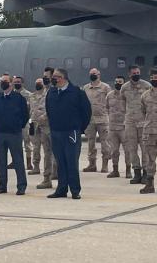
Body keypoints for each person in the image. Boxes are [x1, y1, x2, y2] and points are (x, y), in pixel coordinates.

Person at [46, 68, 91, 200]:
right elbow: (49, 111)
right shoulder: (52, 92)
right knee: (60, 162)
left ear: (64, 78)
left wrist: (79, 128)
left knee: (71, 162)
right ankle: (61, 189)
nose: (54, 79)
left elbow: (86, 112)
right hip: (56, 132)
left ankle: (75, 190)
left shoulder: (77, 92)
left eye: (57, 77)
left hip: (71, 132)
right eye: (53, 77)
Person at [0, 74, 29, 195]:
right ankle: (2, 185)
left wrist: (18, 125)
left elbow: (25, 115)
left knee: (18, 160)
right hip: (1, 133)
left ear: (11, 83)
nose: (3, 83)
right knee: (1, 161)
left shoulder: (19, 98)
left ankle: (21, 186)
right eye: (2, 81)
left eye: (6, 81)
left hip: (14, 133)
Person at [120, 65, 152, 184]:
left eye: (138, 72)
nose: (136, 74)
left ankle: (146, 173)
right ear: (129, 74)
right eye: (134, 73)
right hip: (130, 122)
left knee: (145, 149)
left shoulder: (146, 86)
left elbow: (150, 102)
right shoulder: (124, 87)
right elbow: (123, 103)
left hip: (143, 122)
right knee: (131, 149)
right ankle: (136, 172)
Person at [82, 68, 112, 173]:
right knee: (90, 143)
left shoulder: (105, 87)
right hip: (90, 120)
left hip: (102, 119)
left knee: (105, 142)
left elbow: (111, 101)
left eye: (94, 74)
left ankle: (105, 164)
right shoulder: (85, 88)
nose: (93, 75)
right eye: (91, 74)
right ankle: (92, 164)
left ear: (99, 75)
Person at [106, 76, 131, 178]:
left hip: (124, 127)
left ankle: (128, 170)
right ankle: (115, 170)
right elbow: (107, 108)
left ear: (124, 83)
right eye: (116, 82)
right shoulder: (109, 95)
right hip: (112, 127)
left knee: (127, 150)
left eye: (120, 82)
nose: (117, 83)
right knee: (114, 150)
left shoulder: (127, 95)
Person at [11, 76, 33, 171]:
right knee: (14, 144)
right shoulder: (11, 94)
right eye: (15, 82)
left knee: (27, 143)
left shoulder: (28, 95)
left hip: (24, 122)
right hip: (14, 123)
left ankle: (28, 163)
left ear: (22, 83)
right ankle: (14, 162)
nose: (16, 83)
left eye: (18, 82)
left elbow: (31, 109)